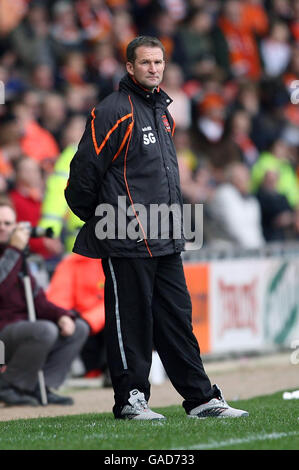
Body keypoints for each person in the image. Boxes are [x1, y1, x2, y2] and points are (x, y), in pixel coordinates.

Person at [65, 36, 248, 420]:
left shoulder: (164, 112)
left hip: (166, 237)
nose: (154, 69)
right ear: (129, 67)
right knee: (130, 322)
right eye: (146, 62)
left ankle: (200, 398)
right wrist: (107, 222)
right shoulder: (113, 110)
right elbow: (82, 178)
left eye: (159, 62)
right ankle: (131, 400)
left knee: (178, 320)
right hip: (125, 238)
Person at [0, 201, 89, 406]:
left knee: (78, 327)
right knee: (44, 330)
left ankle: (41, 387)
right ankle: (8, 385)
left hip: (22, 330)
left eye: (8, 223)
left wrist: (64, 316)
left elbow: (38, 300)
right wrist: (14, 250)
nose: (3, 227)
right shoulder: (14, 253)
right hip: (5, 332)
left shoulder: (17, 255)